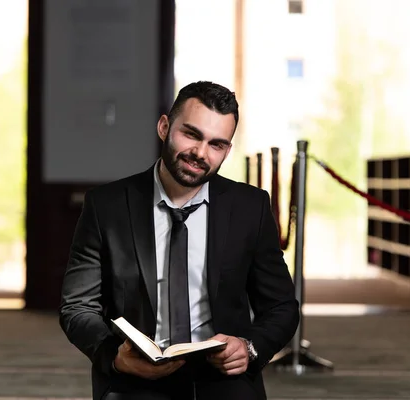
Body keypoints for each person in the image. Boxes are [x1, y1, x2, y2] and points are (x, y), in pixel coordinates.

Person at [59, 81, 300, 400]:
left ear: (227, 150)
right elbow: (77, 306)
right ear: (164, 127)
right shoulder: (107, 207)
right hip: (135, 373)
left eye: (216, 144)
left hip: (223, 376)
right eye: (191, 134)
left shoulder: (250, 208)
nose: (200, 153)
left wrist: (249, 348)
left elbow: (282, 307)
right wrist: (115, 356)